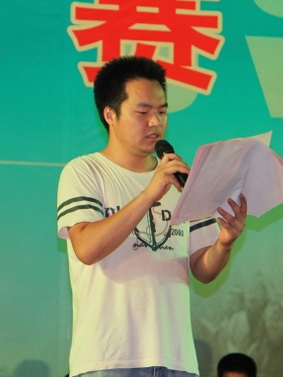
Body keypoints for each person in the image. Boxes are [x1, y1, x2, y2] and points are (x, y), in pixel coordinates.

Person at [56, 55, 248, 377]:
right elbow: (86, 248)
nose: (155, 123)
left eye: (162, 111)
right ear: (110, 114)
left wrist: (224, 243)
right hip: (109, 360)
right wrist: (149, 194)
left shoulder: (182, 179)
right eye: (142, 112)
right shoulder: (85, 171)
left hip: (176, 360)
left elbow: (202, 270)